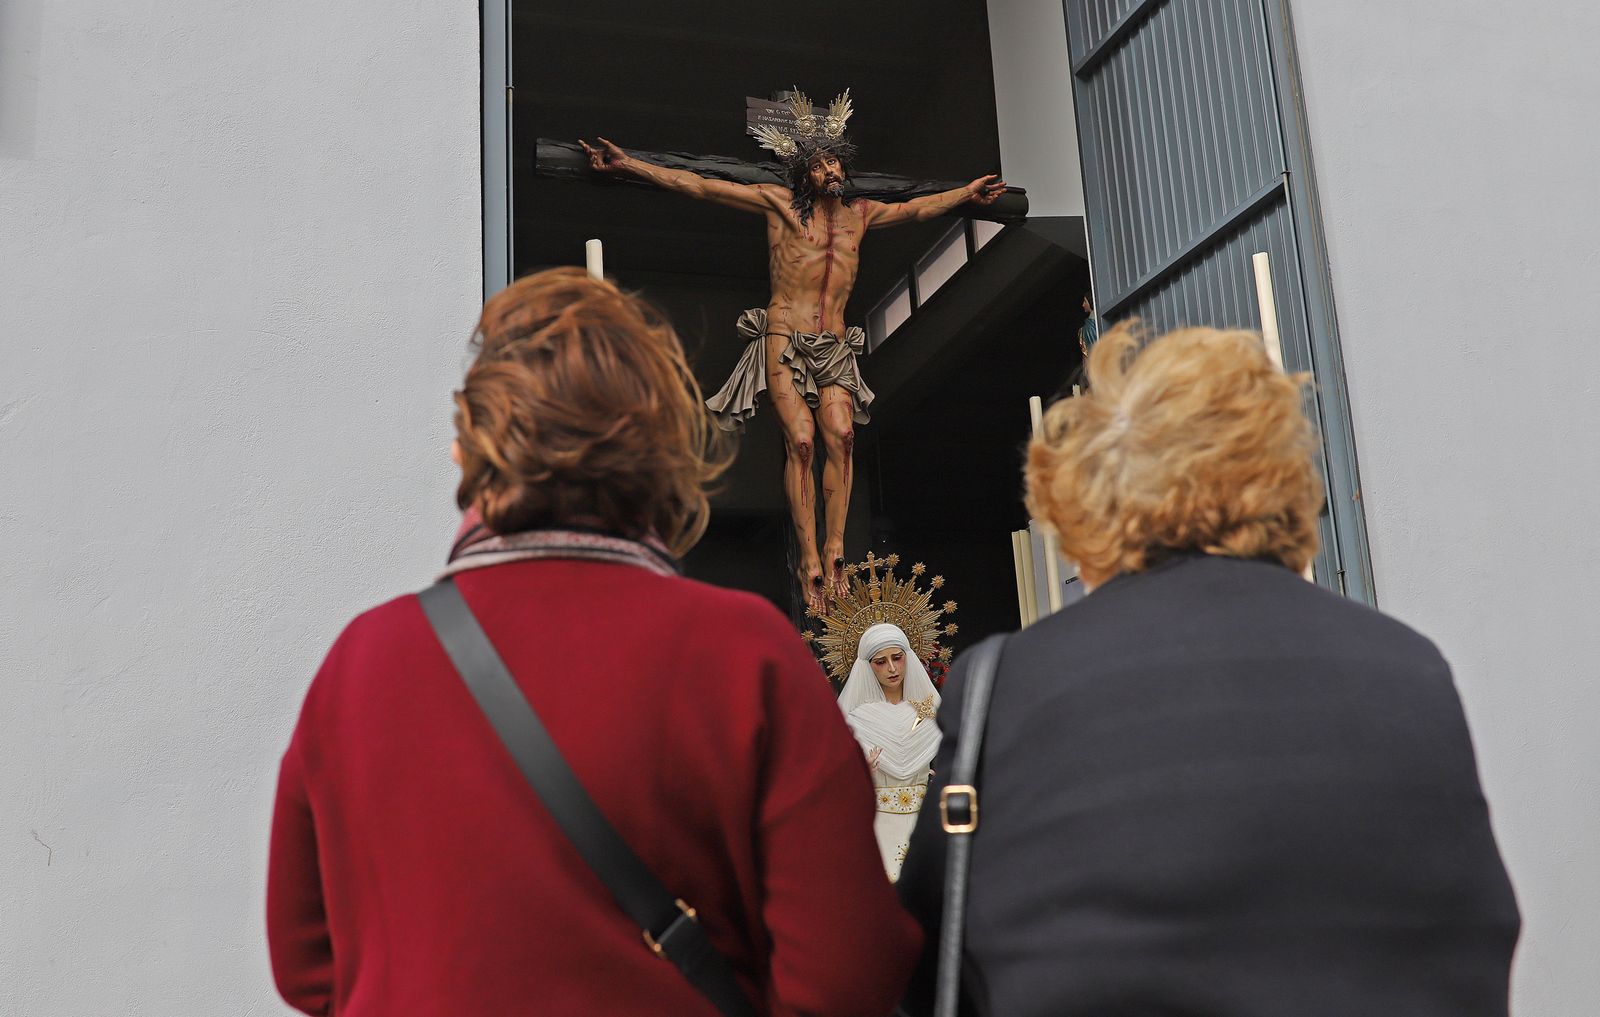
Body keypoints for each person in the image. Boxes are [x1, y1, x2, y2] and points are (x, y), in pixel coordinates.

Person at [266, 267, 921, 1017]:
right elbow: (847, 972)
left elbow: (306, 966)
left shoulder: (362, 662)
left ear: (470, 450)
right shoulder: (745, 653)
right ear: (666, 448)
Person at [897, 322, 1521, 1016]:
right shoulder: (1411, 668)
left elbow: (926, 959)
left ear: (1084, 501)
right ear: (1285, 483)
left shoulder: (1003, 689)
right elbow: (1477, 930)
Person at [580, 88, 1006, 612]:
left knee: (844, 436)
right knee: (802, 443)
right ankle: (808, 559)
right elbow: (699, 185)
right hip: (783, 339)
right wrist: (632, 166)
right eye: (821, 163)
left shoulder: (861, 215)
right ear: (804, 172)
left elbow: (918, 210)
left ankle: (835, 550)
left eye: (835, 161)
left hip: (834, 344)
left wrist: (965, 194)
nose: (831, 170)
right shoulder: (777, 205)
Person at [838, 622, 942, 882]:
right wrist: (860, 773)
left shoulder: (931, 713)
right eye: (880, 662)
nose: (892, 669)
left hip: (926, 822)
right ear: (867, 666)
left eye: (897, 658)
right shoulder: (856, 719)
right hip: (877, 824)